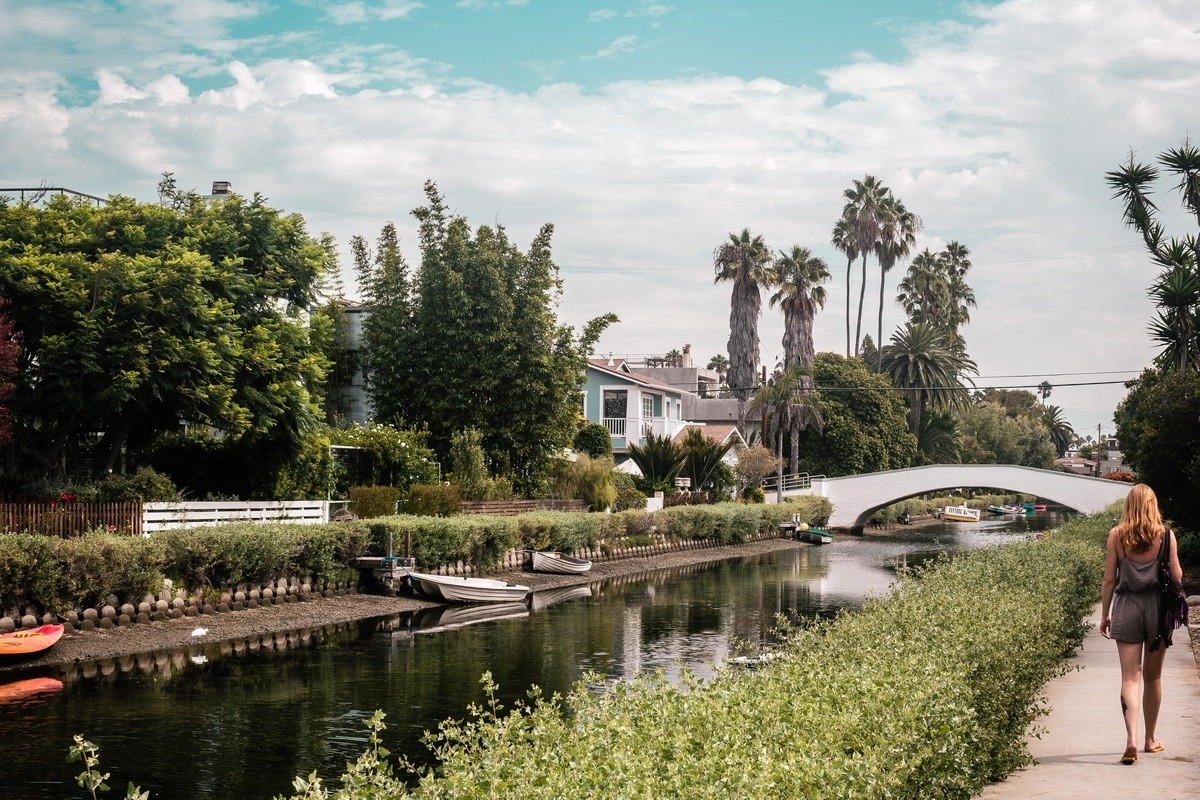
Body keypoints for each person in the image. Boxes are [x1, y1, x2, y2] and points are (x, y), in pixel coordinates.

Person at [1099, 483, 1184, 765]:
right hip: (1158, 610)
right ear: (1153, 505)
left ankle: (1131, 740)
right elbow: (1178, 576)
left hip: (1126, 606)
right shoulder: (1166, 535)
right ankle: (1150, 739)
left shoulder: (1117, 536)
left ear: (1129, 506)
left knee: (1129, 678)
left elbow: (1109, 579)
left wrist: (1105, 614)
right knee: (1153, 677)